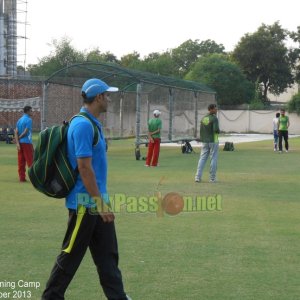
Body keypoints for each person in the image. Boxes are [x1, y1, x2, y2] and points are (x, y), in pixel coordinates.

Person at [42, 78, 131, 300]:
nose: (109, 99)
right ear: (99, 97)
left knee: (107, 257)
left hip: (97, 203)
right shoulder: (82, 125)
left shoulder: (91, 123)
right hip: (85, 205)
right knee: (70, 256)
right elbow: (84, 168)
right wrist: (100, 204)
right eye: (107, 95)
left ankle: (118, 296)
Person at [195, 104, 220, 183]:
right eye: (215, 109)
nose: (216, 110)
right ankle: (212, 178)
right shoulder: (214, 118)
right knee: (213, 158)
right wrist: (219, 131)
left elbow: (202, 130)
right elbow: (216, 130)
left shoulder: (203, 118)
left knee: (202, 159)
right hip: (213, 140)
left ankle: (197, 177)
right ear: (211, 109)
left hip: (205, 141)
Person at [15, 106, 34, 182]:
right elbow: (26, 132)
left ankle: (22, 178)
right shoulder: (29, 120)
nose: (32, 112)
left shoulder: (19, 120)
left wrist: (17, 142)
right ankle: (34, 178)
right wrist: (19, 138)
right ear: (28, 111)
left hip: (20, 144)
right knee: (30, 161)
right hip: (27, 142)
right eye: (31, 111)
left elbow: (15, 132)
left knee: (21, 161)